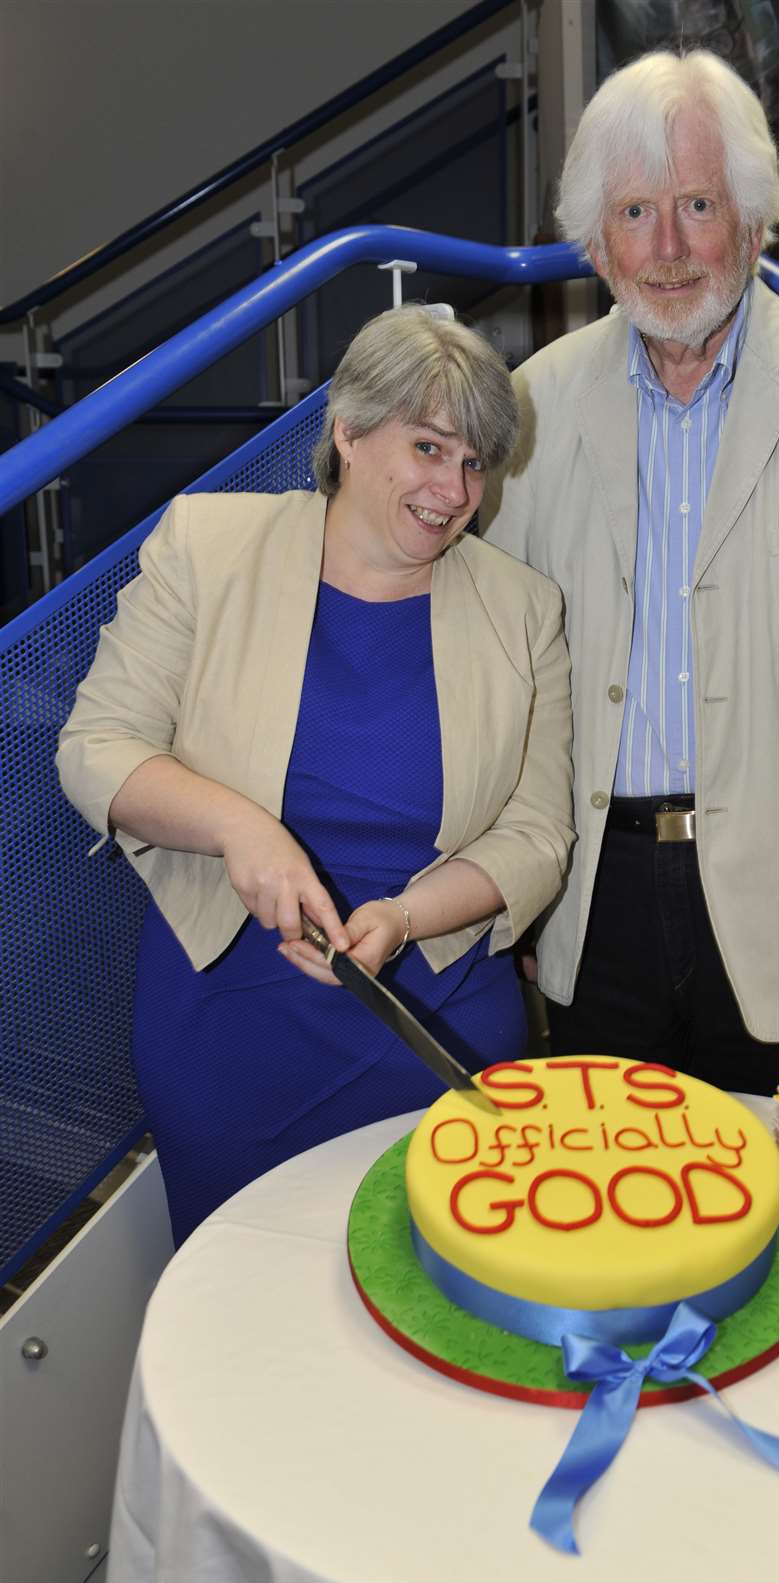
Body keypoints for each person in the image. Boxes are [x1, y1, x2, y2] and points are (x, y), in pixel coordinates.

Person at [482, 49, 779, 1093]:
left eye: (697, 205)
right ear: (596, 243)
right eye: (635, 212)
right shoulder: (533, 404)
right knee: (608, 1215)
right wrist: (515, 890)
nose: (666, 248)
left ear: (752, 224)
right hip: (589, 900)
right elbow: (501, 674)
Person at [57, 304, 574, 1243]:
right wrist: (238, 826)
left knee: (435, 1329)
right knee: (242, 1336)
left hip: (435, 1022)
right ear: (346, 428)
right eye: (427, 447)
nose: (453, 489)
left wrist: (409, 919)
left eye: (473, 463)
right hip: (229, 1027)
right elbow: (97, 746)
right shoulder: (205, 549)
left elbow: (538, 835)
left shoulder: (524, 608)